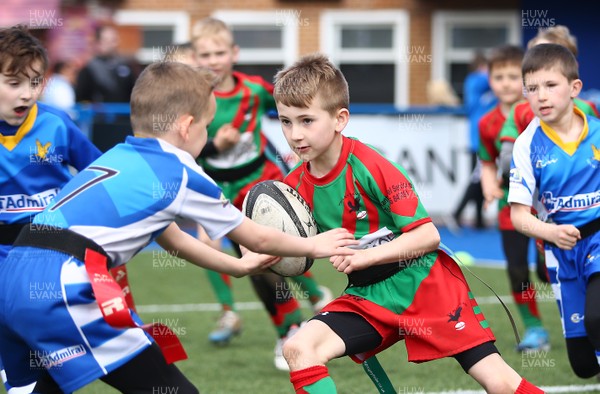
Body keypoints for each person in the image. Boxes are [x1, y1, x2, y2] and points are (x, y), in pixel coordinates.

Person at [0, 61, 357, 394]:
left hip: (12, 277)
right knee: (169, 387)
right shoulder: (181, 171)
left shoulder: (116, 157)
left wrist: (236, 266)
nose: (207, 136)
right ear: (187, 127)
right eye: (207, 126)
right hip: (64, 283)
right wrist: (315, 245)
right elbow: (256, 236)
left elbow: (171, 239)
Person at [273, 53, 543, 394]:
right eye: (285, 121)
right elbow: (286, 248)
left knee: (500, 384)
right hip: (367, 295)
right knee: (299, 348)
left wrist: (364, 257)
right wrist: (251, 254)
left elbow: (427, 235)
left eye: (306, 121)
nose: (295, 134)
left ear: (340, 118)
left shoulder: (370, 165)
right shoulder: (295, 184)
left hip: (426, 283)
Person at [192, 17, 333, 367]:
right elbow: (189, 146)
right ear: (195, 57)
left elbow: (294, 107)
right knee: (237, 255)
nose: (212, 60)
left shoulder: (254, 89)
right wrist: (214, 146)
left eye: (219, 52)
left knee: (274, 251)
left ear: (234, 53)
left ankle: (304, 309)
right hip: (218, 188)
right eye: (204, 53)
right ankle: (261, 317)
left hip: (260, 186)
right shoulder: (194, 99)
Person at [0, 25, 102, 393]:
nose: (26, 93)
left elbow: (101, 175)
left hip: (50, 255)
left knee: (58, 369)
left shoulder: (56, 123)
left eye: (34, 82)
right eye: (13, 82)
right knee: (23, 374)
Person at [509, 43, 600, 380]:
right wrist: (550, 233)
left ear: (574, 88)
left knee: (598, 319)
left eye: (550, 85)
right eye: (532, 88)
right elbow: (519, 216)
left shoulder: (598, 132)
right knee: (584, 365)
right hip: (561, 250)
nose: (541, 96)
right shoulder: (526, 144)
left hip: (599, 239)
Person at [478, 44, 551, 353]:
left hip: (547, 207)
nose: (506, 83)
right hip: (511, 209)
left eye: (512, 76)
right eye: (498, 77)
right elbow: (487, 161)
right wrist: (488, 187)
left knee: (547, 271)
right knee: (517, 270)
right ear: (490, 80)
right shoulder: (486, 123)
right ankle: (534, 329)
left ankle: (578, 321)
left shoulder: (540, 110)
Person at [75, 24, 139, 152]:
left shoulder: (125, 66)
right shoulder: (88, 69)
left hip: (125, 124)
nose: (114, 44)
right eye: (109, 40)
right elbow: (81, 99)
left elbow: (135, 92)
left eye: (115, 40)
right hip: (99, 125)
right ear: (98, 43)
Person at [453, 52, 497, 229]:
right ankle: (456, 213)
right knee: (477, 178)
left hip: (480, 139)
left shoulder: (479, 85)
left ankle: (478, 220)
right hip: (479, 140)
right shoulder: (476, 80)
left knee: (479, 180)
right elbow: (492, 78)